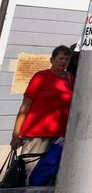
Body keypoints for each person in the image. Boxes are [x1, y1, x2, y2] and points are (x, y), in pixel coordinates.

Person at [8, 46, 74, 177]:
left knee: (47, 175)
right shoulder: (41, 77)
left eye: (67, 59)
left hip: (58, 135)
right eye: (61, 58)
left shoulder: (70, 78)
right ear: (52, 59)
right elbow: (25, 106)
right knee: (29, 172)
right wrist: (16, 135)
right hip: (36, 134)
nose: (64, 62)